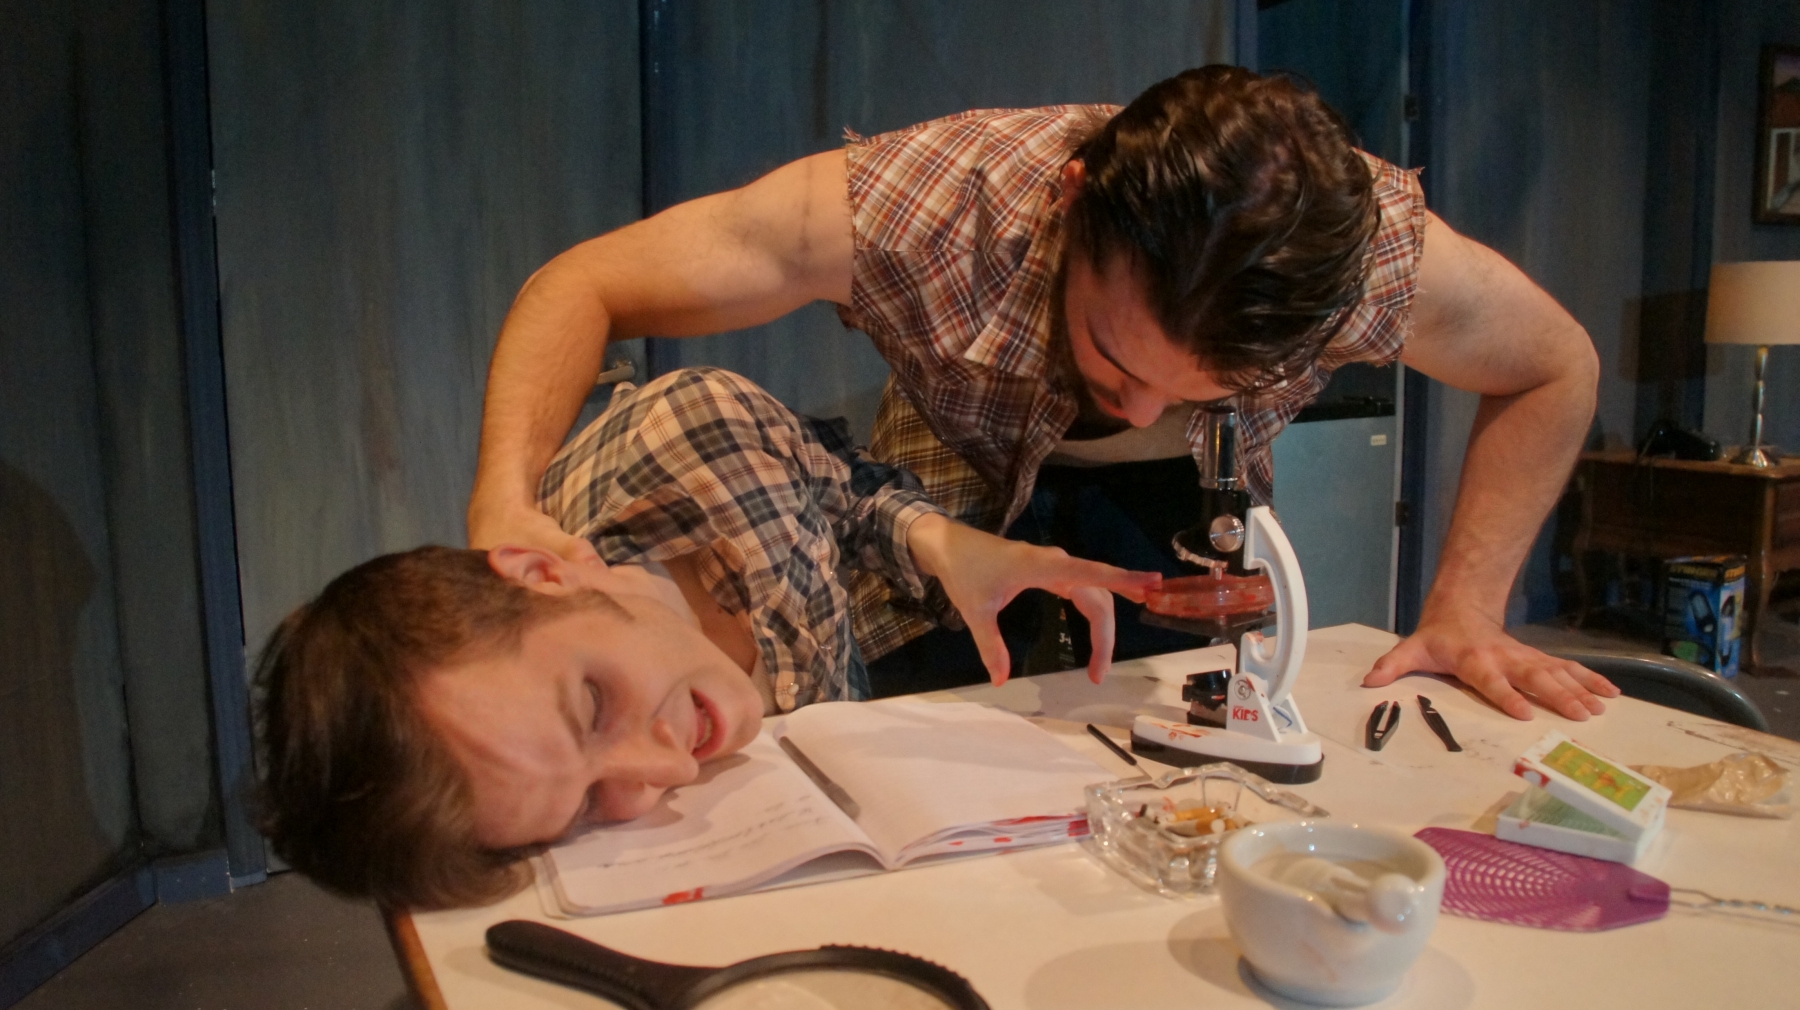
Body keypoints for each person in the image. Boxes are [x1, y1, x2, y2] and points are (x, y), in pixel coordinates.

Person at [466, 65, 1618, 722]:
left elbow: (1555, 364)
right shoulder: (924, 206)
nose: (1135, 408)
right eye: (1116, 356)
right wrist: (503, 503)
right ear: (1069, 202)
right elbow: (584, 283)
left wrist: (1466, 607)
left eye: (1193, 384)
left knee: (1189, 751)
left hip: (1184, 503)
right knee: (937, 739)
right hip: (952, 483)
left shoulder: (1376, 261)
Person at [256, 367, 1154, 909]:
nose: (668, 770)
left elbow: (841, 490)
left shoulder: (696, 437)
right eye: (587, 805)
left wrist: (939, 543)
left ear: (543, 576)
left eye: (593, 705)